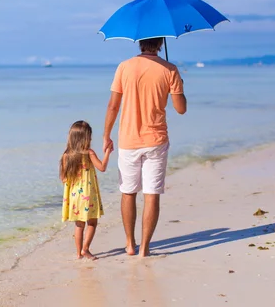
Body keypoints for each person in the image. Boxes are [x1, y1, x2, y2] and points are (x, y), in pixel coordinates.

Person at [103, 37, 186, 257]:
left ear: (139, 42)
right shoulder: (170, 69)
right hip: (156, 140)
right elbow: (181, 109)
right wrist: (177, 86)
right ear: (161, 43)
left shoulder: (124, 67)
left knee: (128, 192)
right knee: (152, 194)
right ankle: (145, 248)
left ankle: (130, 244)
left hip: (128, 141)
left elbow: (113, 105)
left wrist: (106, 135)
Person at [60, 120, 112, 260]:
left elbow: (63, 179)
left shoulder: (66, 155)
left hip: (74, 196)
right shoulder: (89, 153)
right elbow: (102, 167)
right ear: (85, 138)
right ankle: (85, 249)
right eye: (89, 137)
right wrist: (107, 152)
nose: (90, 139)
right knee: (92, 223)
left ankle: (78, 253)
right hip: (88, 195)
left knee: (79, 225)